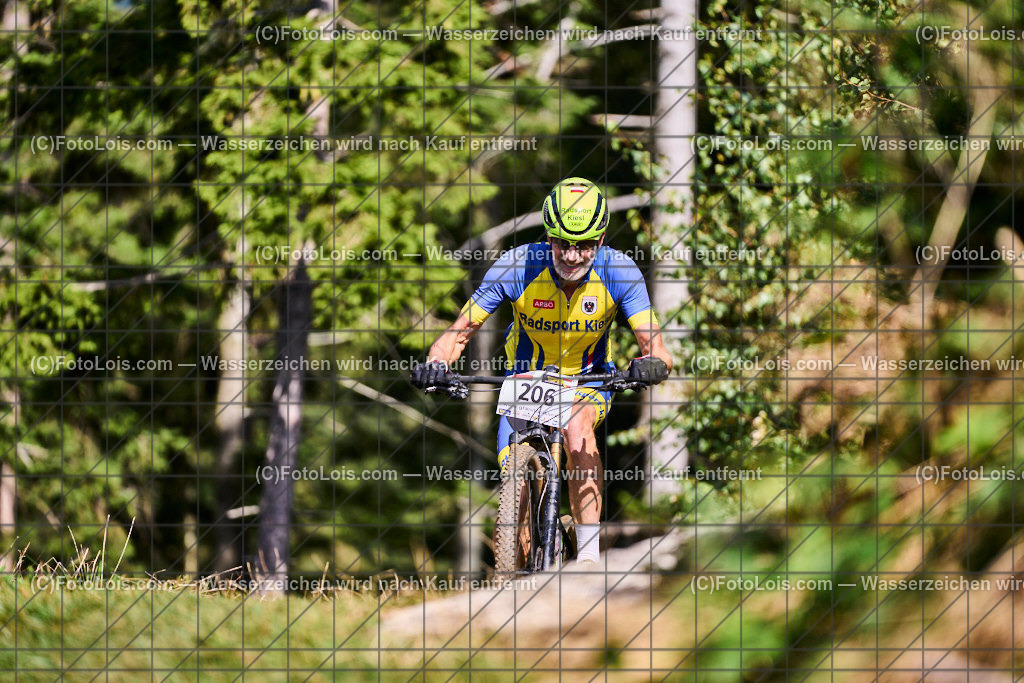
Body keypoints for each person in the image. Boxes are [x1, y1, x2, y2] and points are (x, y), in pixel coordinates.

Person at [412, 177, 672, 566]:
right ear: (548, 236)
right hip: (525, 380)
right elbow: (457, 334)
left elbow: (659, 350)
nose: (571, 255)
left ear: (599, 242)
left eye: (583, 245)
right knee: (514, 507)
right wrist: (436, 364)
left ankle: (587, 560)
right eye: (562, 243)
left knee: (578, 428)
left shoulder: (619, 271)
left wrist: (648, 366)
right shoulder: (518, 265)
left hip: (589, 378)